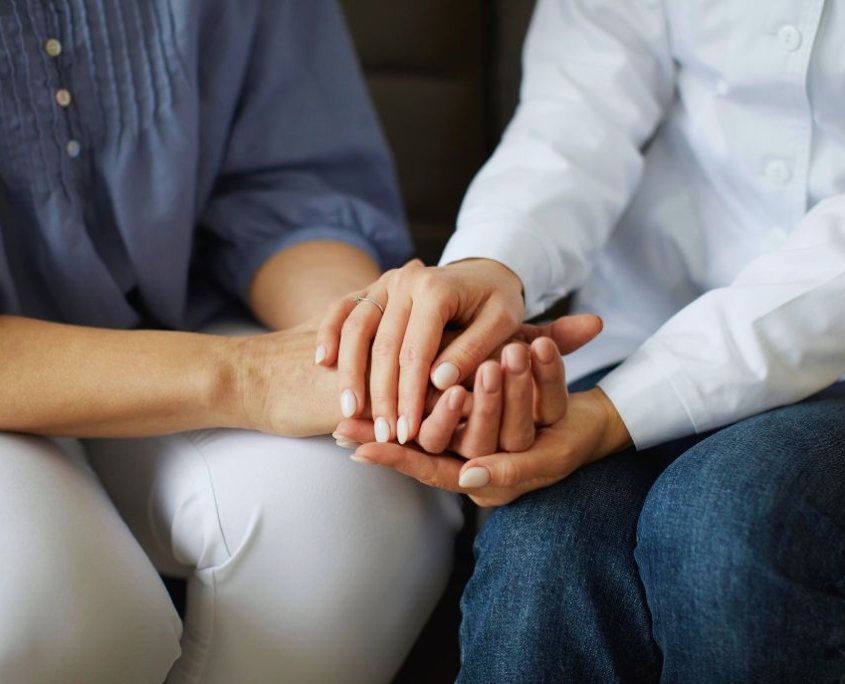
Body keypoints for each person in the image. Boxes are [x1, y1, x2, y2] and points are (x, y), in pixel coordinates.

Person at [321, 0, 845, 681]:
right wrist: (491, 265)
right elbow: (581, 102)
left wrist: (612, 413)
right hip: (650, 326)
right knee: (544, 533)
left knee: (726, 518)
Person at [0, 2, 472, 682]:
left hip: (189, 311)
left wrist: (373, 347)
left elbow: (287, 186)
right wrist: (248, 378)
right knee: (55, 616)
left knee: (360, 520)